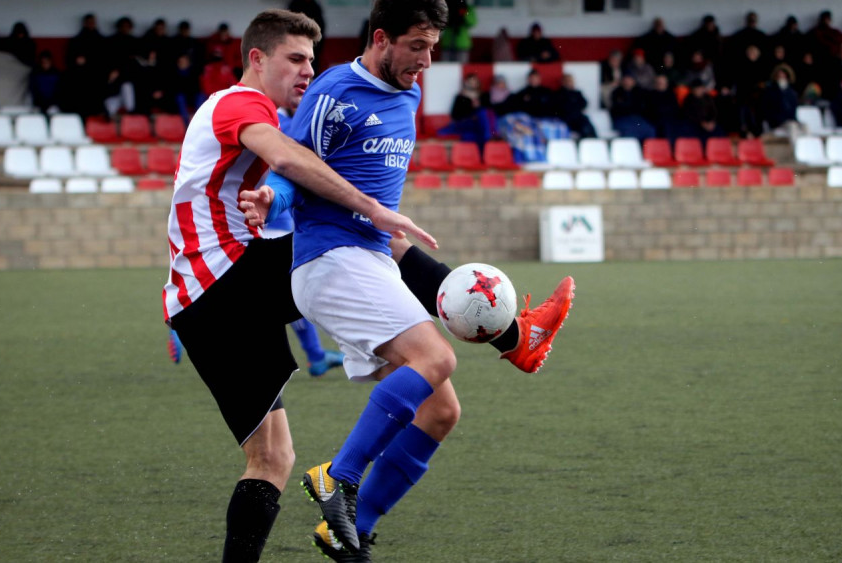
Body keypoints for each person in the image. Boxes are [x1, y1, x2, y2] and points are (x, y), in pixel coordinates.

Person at [240, 1, 575, 559]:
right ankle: (339, 479)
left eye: (433, 46)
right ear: (380, 39)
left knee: (442, 410)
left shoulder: (410, 91)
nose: (427, 58)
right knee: (436, 358)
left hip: (370, 255)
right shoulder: (334, 93)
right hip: (329, 259)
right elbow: (293, 167)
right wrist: (272, 199)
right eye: (417, 46)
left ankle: (352, 531)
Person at [162, 10, 438, 562]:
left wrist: (273, 198)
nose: (307, 72)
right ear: (257, 59)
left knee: (272, 459)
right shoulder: (241, 103)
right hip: (228, 281)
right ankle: (502, 330)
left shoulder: (243, 110)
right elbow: (289, 156)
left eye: (312, 61)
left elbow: (282, 176)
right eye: (295, 59)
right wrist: (374, 209)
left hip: (203, 305)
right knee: (360, 238)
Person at [553, 73, 596, 138]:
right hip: (567, 118)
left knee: (587, 123)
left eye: (571, 81)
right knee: (582, 126)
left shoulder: (577, 93)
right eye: (568, 81)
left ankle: (593, 139)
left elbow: (584, 103)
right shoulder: (560, 93)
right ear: (564, 82)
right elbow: (563, 107)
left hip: (578, 116)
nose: (570, 83)